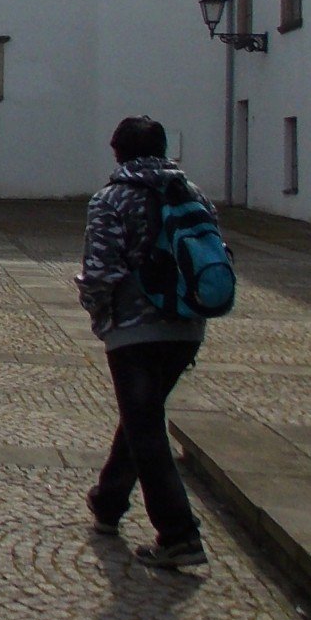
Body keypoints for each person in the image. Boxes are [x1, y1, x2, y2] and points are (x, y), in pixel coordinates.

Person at [77, 115, 210, 569]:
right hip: (187, 328)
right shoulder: (192, 194)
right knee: (142, 416)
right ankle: (108, 503)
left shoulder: (111, 199)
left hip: (135, 331)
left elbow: (100, 270)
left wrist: (101, 315)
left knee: (146, 426)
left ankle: (179, 535)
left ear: (118, 151)